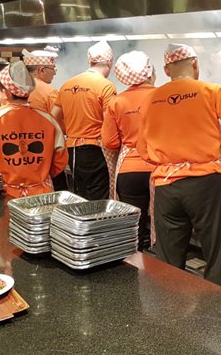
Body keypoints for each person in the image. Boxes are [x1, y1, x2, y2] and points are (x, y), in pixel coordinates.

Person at [137, 43, 221, 290]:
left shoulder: (150, 99)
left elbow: (142, 148)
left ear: (166, 70)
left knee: (168, 257)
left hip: (166, 185)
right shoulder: (211, 91)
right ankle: (218, 308)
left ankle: (168, 307)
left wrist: (168, 161)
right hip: (206, 183)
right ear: (195, 64)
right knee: (217, 253)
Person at [0, 62, 67, 199]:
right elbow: (60, 159)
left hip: (5, 194)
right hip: (43, 192)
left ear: (6, 93)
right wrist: (40, 175)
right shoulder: (48, 119)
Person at [101, 51, 156, 251]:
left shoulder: (117, 102)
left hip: (129, 171)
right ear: (150, 72)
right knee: (163, 226)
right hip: (161, 171)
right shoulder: (163, 96)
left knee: (133, 227)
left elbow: (109, 141)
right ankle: (162, 267)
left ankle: (135, 263)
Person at [52, 41, 117, 200]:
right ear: (109, 62)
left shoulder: (67, 85)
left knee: (81, 195)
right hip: (96, 149)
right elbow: (110, 122)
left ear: (90, 61)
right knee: (99, 198)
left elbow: (53, 117)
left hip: (72, 149)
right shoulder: (106, 86)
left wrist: (69, 130)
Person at [23, 46, 69, 191]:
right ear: (42, 69)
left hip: (21, 151)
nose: (54, 73)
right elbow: (59, 122)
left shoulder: (18, 88)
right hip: (45, 151)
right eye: (53, 69)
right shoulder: (49, 92)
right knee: (56, 191)